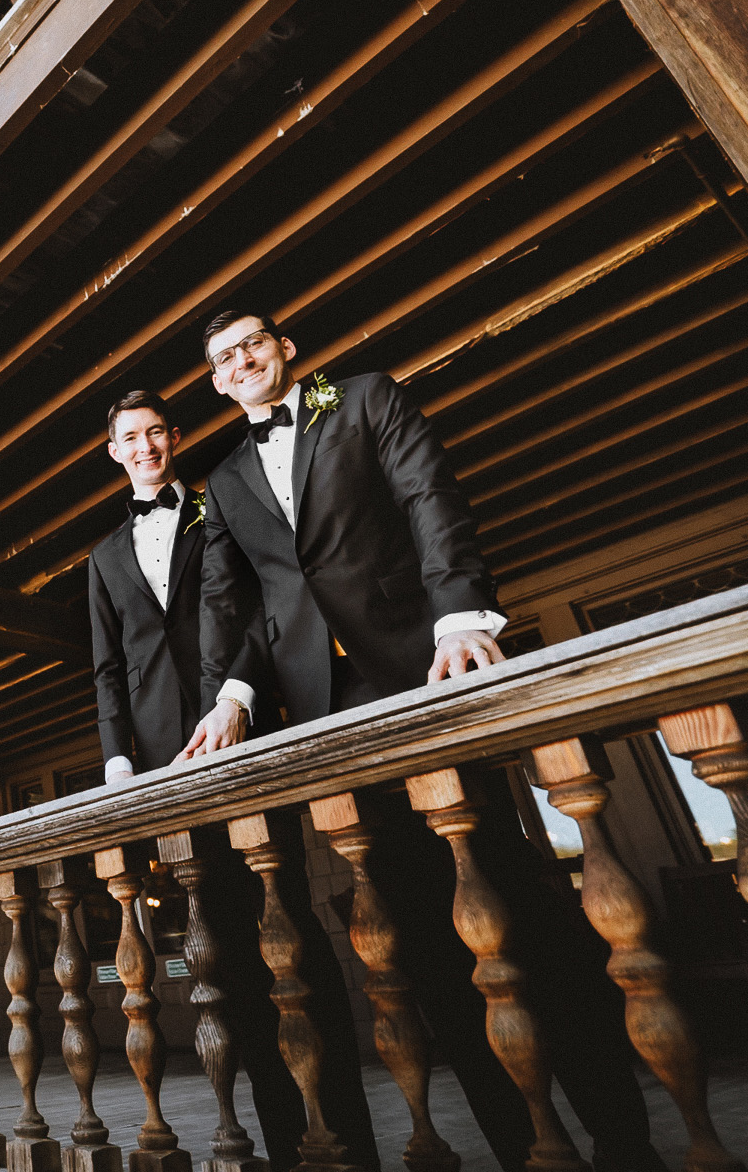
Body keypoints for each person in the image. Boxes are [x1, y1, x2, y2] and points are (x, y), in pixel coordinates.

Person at [187, 309, 666, 1172]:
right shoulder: (220, 483)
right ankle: (520, 1147)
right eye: (224, 359)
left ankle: (626, 1143)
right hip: (332, 716)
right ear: (218, 383)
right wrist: (232, 698)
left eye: (254, 343)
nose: (242, 361)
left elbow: (427, 495)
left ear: (286, 348)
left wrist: (460, 620)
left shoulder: (366, 398)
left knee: (520, 909)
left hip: (425, 673)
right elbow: (239, 602)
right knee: (418, 934)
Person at [87, 388, 381, 1171]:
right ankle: (284, 1142)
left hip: (241, 738)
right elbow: (108, 670)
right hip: (163, 770)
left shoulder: (220, 506)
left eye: (156, 433)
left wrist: (236, 701)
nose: (146, 447)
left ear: (174, 438)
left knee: (289, 927)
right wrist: (121, 766)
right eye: (130, 438)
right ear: (113, 451)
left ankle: (348, 1136)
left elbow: (259, 610)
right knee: (220, 952)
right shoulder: (103, 556)